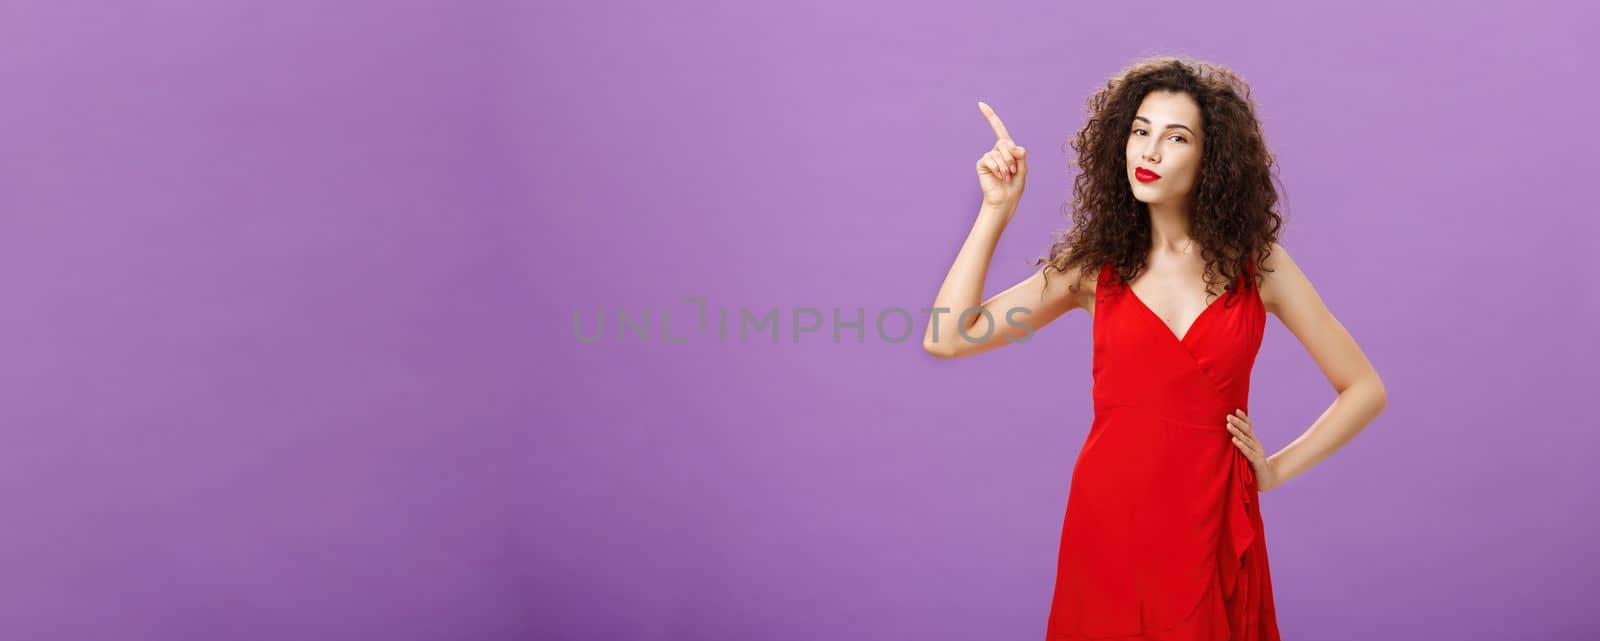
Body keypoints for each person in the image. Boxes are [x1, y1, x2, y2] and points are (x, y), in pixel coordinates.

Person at [921, 56, 1388, 640]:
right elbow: (948, 336)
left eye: (1176, 137)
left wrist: (1273, 471)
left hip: (1213, 518)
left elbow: (1364, 389)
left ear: (1211, 158)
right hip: (1111, 515)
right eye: (1140, 131)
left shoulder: (1260, 267)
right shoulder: (1092, 268)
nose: (1150, 151)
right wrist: (996, 211)